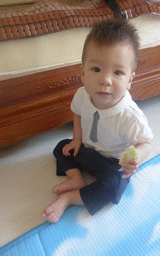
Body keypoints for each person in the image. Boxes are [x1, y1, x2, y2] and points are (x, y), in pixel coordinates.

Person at [42, 18, 153, 223]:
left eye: (118, 72)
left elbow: (145, 142)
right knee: (61, 146)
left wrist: (136, 158)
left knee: (113, 185)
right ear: (83, 73)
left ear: (130, 79)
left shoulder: (130, 116)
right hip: (87, 150)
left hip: (112, 162)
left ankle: (70, 198)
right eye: (96, 69)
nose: (105, 80)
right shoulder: (82, 95)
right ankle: (76, 178)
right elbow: (76, 113)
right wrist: (76, 140)